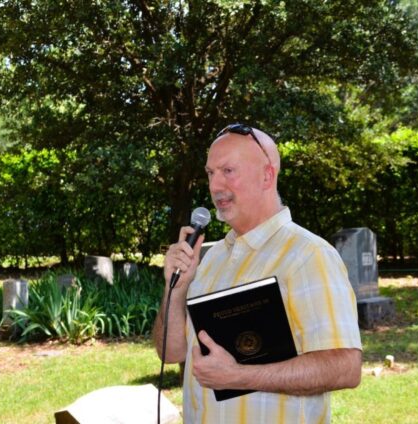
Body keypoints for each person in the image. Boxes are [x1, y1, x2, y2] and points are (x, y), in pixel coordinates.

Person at [153, 123, 362, 423]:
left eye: (228, 171)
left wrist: (238, 376)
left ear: (267, 175)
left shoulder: (308, 255)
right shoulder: (211, 259)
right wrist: (174, 290)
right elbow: (170, 353)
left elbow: (345, 367)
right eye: (210, 173)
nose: (215, 186)